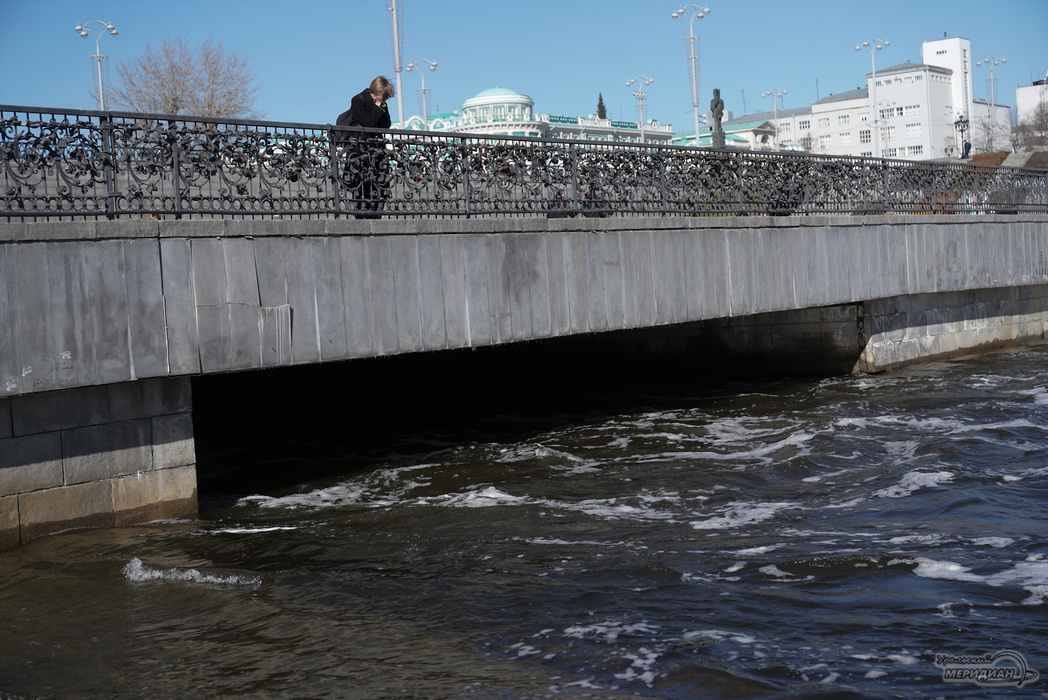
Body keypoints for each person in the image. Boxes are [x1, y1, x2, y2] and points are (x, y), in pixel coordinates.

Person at [336, 76, 395, 217]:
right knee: (361, 189)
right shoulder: (358, 100)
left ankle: (377, 215)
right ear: (376, 91)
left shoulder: (381, 104)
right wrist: (377, 106)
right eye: (384, 96)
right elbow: (368, 123)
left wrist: (382, 107)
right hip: (359, 150)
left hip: (376, 151)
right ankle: (361, 217)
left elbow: (386, 125)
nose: (385, 99)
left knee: (379, 188)